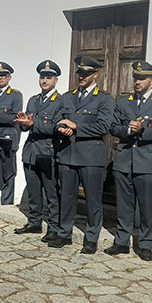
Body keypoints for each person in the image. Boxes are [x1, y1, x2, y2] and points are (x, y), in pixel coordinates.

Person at [106, 60, 152, 261]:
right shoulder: (124, 101)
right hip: (124, 159)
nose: (137, 81)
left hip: (147, 163)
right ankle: (121, 241)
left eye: (142, 78)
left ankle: (145, 244)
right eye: (135, 77)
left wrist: (143, 130)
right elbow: (113, 125)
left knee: (146, 206)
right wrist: (128, 130)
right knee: (124, 205)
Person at [52, 56, 114, 253]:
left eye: (86, 74)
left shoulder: (104, 99)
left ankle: (92, 237)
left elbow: (104, 126)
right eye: (80, 73)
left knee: (93, 199)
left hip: (91, 155)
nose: (82, 77)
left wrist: (76, 126)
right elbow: (59, 118)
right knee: (67, 196)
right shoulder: (67, 96)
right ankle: (64, 233)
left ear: (95, 75)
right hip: (68, 153)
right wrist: (63, 127)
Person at [14, 61, 64, 242]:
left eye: (48, 78)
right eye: (42, 77)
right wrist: (24, 121)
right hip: (31, 151)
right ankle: (34, 222)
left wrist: (33, 123)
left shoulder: (60, 101)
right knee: (34, 191)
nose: (44, 81)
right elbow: (28, 125)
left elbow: (55, 127)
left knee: (51, 193)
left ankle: (53, 227)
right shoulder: (33, 100)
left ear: (56, 80)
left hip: (48, 152)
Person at [0, 62, 22, 205]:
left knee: (8, 174)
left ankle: (7, 204)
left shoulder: (15, 95)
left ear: (9, 78)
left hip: (7, 140)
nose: (0, 78)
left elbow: (15, 118)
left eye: (4, 76)